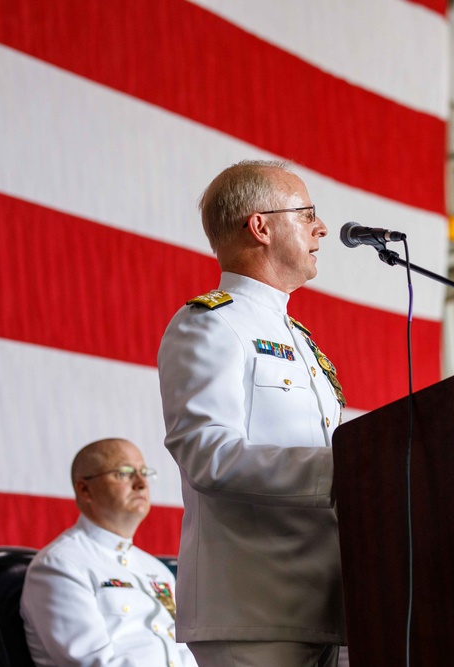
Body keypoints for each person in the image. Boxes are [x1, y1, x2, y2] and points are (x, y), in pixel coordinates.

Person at [157, 160, 345, 666]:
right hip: (254, 610)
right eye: (307, 214)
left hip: (331, 601)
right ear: (260, 226)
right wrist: (346, 469)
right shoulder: (210, 325)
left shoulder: (302, 341)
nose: (321, 227)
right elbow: (207, 455)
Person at [20, 438, 197, 667]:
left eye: (144, 472)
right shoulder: (60, 565)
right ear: (85, 489)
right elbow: (96, 663)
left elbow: (187, 650)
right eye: (124, 473)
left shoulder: (156, 569)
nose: (141, 483)